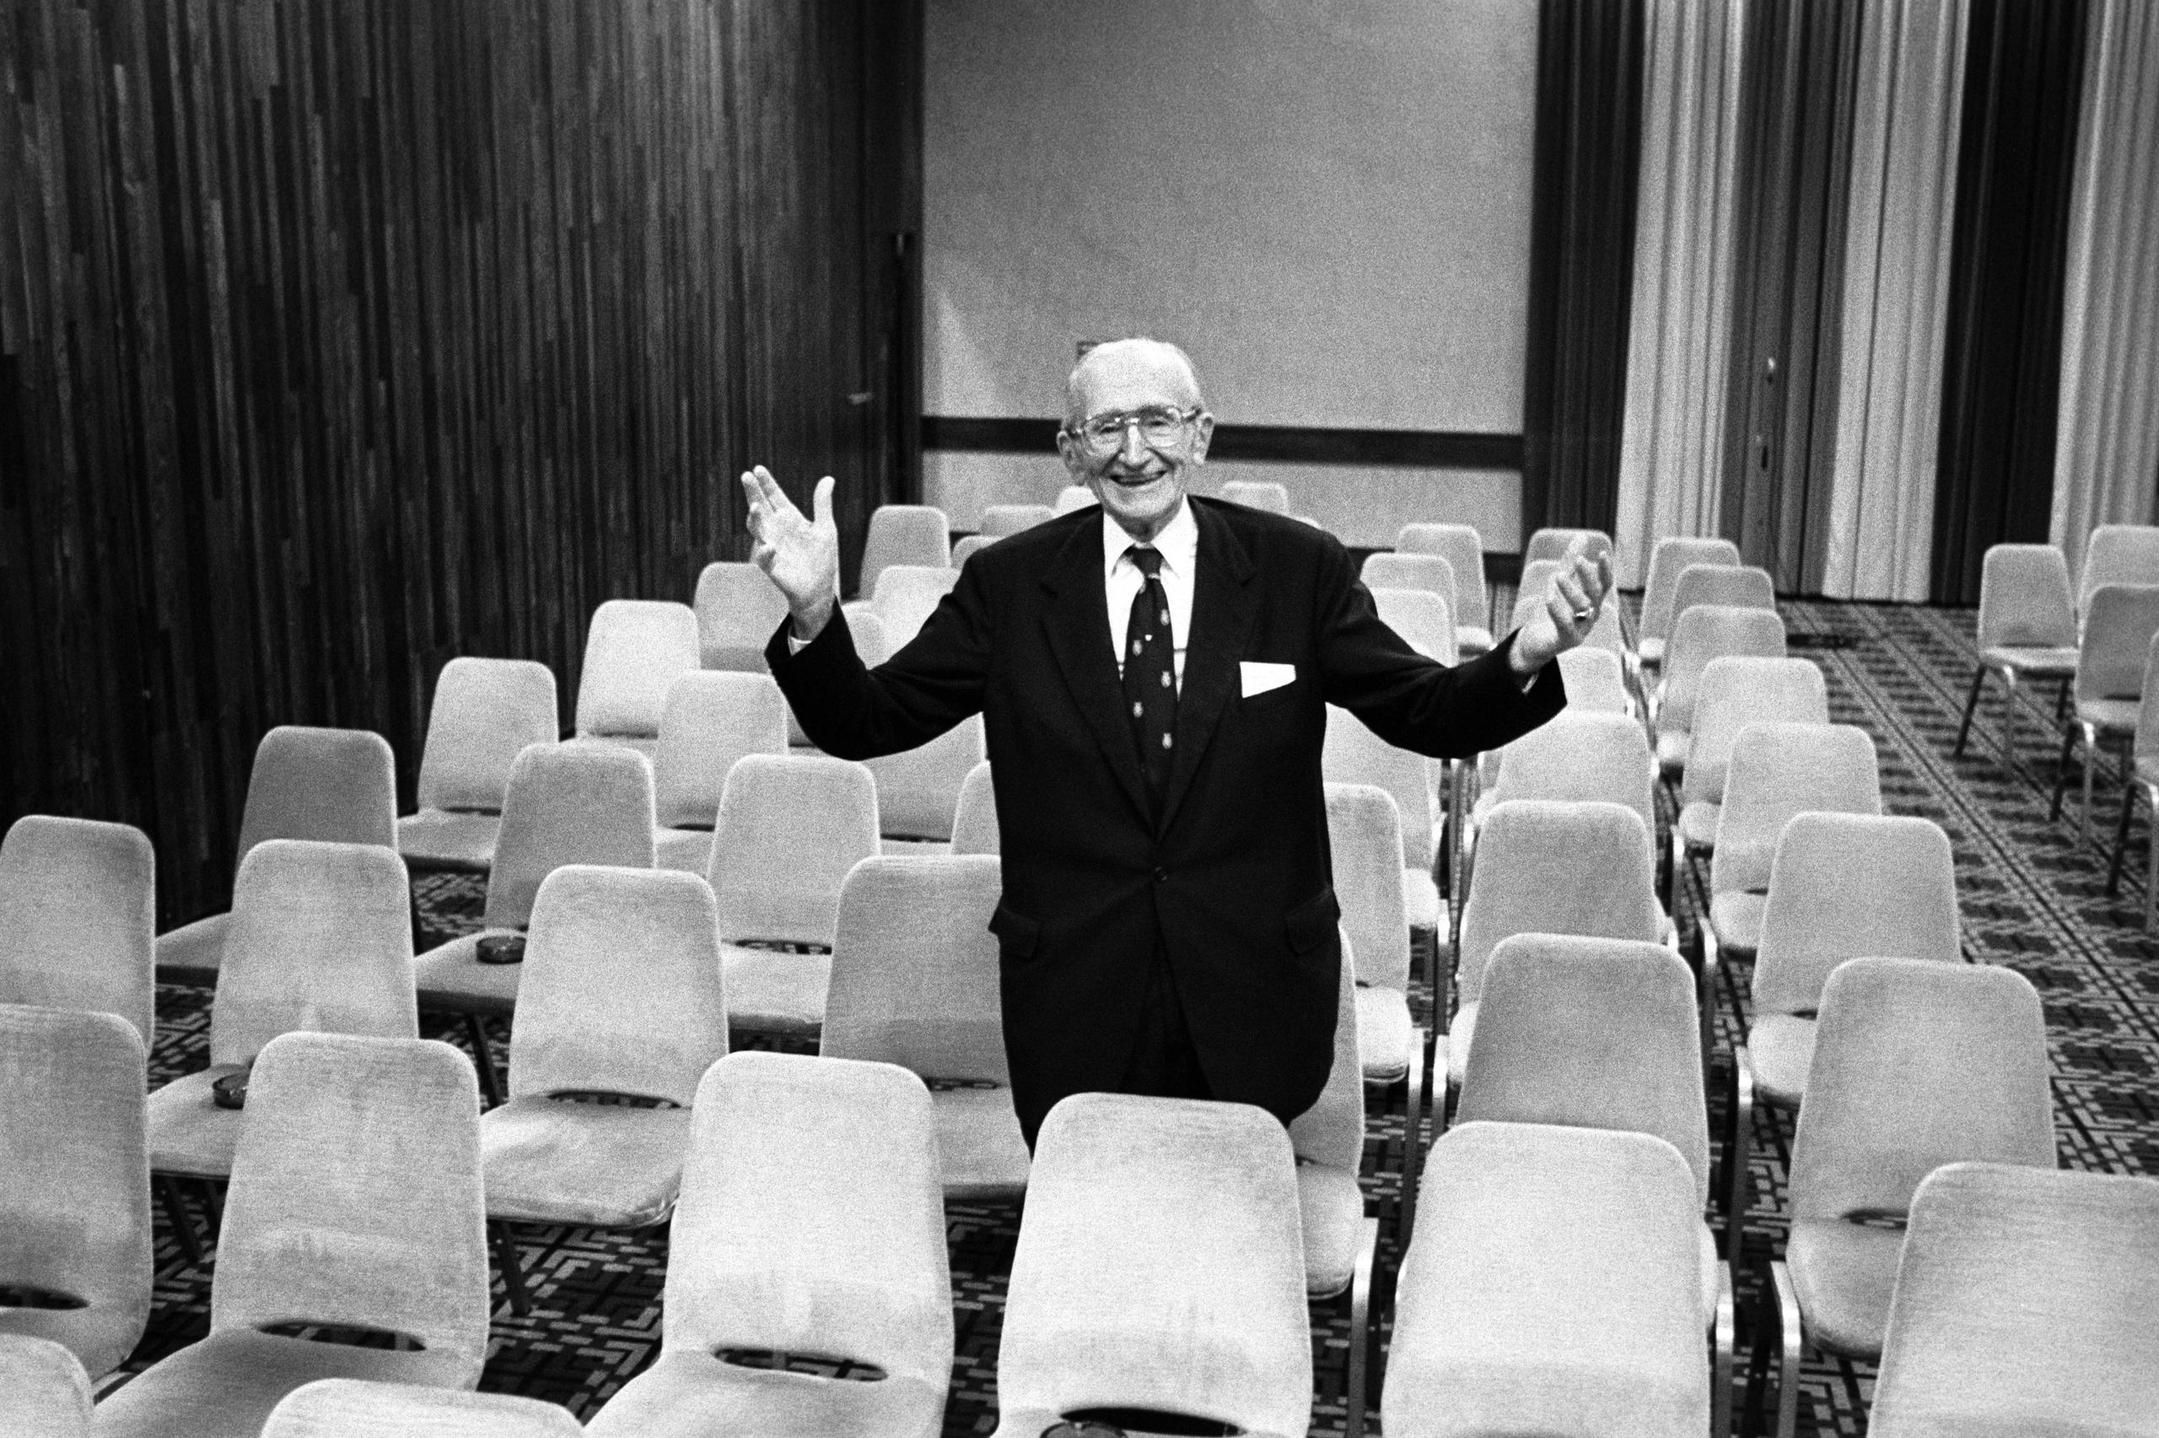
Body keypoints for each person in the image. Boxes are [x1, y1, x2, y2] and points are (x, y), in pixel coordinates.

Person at [744, 338, 1608, 1145]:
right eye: (1105, 428)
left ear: (1200, 435)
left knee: (1236, 1227)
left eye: (1157, 421)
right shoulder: (1007, 585)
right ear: (1070, 452)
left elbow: (1426, 710)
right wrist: (814, 613)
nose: (1135, 451)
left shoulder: (1294, 569)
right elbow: (867, 720)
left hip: (1253, 989)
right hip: (1077, 998)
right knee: (1091, 1233)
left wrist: (1523, 657)